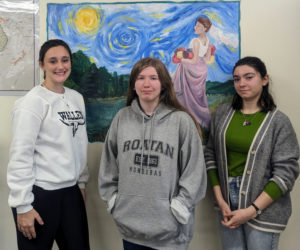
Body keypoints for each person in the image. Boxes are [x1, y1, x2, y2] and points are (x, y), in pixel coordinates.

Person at [98, 57, 206, 250]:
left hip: (171, 232)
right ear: (133, 85)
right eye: (141, 78)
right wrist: (114, 201)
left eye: (153, 78)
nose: (146, 84)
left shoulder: (181, 121)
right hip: (130, 228)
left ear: (163, 84)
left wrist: (180, 207)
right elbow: (108, 164)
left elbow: (195, 172)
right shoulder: (121, 118)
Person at [205, 56, 299, 250]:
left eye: (249, 77)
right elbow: (211, 155)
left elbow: (286, 173)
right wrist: (221, 200)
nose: (242, 83)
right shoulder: (223, 114)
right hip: (227, 206)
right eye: (237, 79)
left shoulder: (278, 122)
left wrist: (252, 210)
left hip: (264, 208)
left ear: (264, 79)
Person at [7, 39, 90, 250]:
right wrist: (22, 205)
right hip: (39, 195)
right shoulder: (32, 103)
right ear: (42, 65)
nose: (60, 66)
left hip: (70, 194)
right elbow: (20, 155)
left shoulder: (77, 99)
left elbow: (79, 145)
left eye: (65, 60)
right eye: (52, 61)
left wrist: (81, 183)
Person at [173, 15, 213, 129]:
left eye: (199, 26)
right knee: (198, 98)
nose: (195, 27)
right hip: (202, 70)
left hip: (193, 69)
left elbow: (194, 60)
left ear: (205, 28)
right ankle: (201, 120)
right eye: (196, 25)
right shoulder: (208, 41)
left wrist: (180, 59)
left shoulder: (195, 41)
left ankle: (190, 119)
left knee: (188, 95)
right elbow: (206, 59)